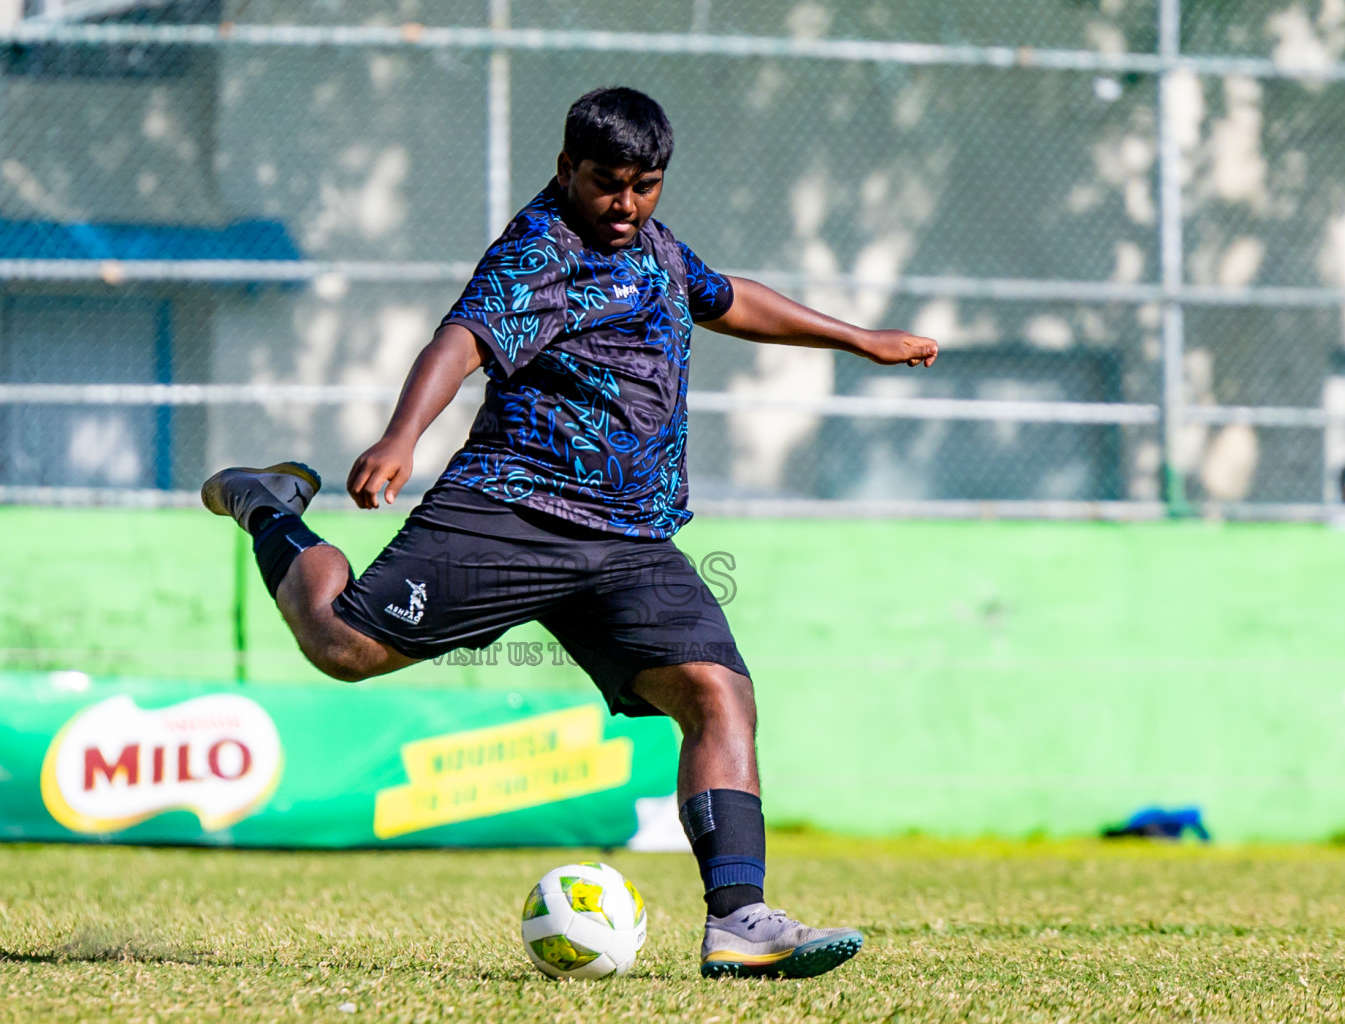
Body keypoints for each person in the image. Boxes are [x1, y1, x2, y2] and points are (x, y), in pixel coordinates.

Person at [203, 87, 937, 979]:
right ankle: (269, 504)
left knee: (719, 694)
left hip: (631, 538)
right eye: (606, 184)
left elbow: (724, 296)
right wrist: (402, 437)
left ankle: (740, 921)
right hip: (517, 511)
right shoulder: (538, 248)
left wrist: (860, 340)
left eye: (644, 185)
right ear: (566, 170)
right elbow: (463, 341)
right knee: (343, 646)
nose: (624, 204)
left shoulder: (654, 246)